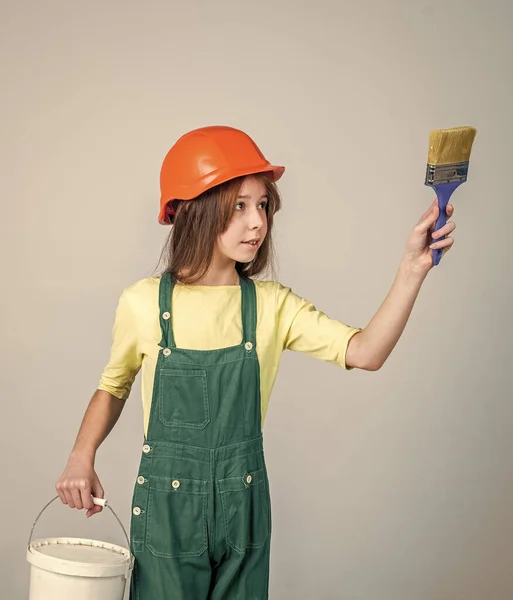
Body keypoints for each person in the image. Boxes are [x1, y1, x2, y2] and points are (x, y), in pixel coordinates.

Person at [55, 125, 456, 599]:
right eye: (240, 205)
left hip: (241, 512)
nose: (258, 222)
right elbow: (114, 385)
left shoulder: (270, 306)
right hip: (168, 514)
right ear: (196, 209)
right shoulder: (142, 303)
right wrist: (82, 457)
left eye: (263, 205)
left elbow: (366, 352)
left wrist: (412, 269)